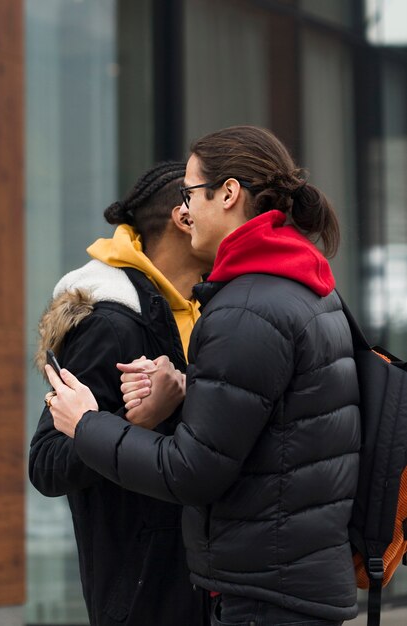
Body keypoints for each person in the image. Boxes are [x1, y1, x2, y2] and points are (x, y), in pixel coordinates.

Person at [45, 126, 361, 626]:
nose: (187, 210)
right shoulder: (308, 289)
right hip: (282, 583)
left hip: (262, 595)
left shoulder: (246, 308)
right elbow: (278, 424)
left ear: (229, 194)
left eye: (192, 193)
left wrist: (90, 423)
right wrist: (194, 392)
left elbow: (193, 469)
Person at [29, 161, 211, 626]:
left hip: (203, 586)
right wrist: (137, 421)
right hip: (144, 598)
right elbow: (47, 462)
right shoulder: (110, 323)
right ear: (185, 217)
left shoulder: (208, 308)